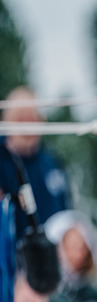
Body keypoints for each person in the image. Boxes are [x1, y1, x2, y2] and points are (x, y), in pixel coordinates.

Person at [0, 87, 71, 240]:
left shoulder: (52, 162)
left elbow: (66, 212)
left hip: (50, 255)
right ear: (5, 121)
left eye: (32, 118)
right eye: (20, 119)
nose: (27, 126)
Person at [44, 210, 97, 302]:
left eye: (82, 248)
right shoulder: (45, 291)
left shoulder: (93, 294)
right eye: (71, 246)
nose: (77, 255)